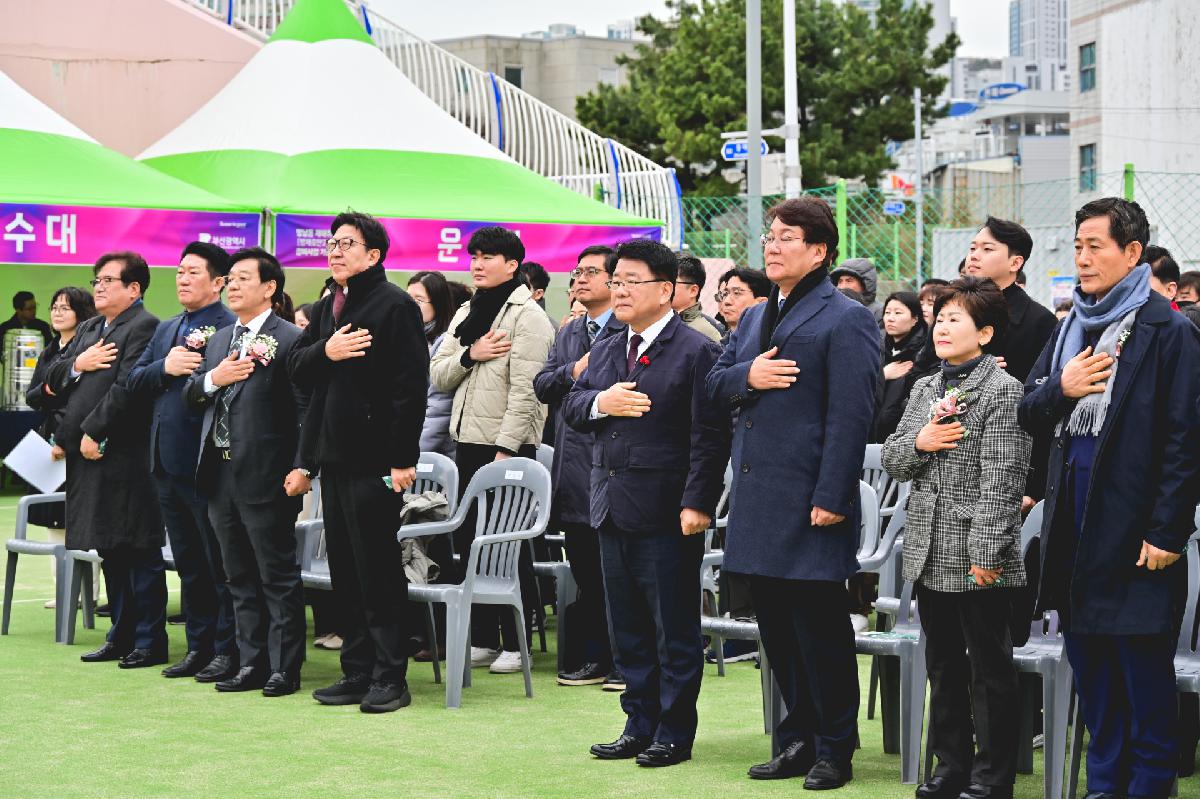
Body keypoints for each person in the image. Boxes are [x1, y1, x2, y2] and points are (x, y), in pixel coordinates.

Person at [1018, 198, 1200, 799]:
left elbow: (1186, 441)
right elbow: (1029, 411)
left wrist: (1167, 531)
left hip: (1138, 533)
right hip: (1074, 527)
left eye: (1095, 246)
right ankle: (1104, 785)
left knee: (1142, 672)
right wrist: (1064, 388)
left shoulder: (1168, 330)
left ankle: (1148, 787)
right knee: (1092, 667)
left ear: (1132, 253)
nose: (1083, 258)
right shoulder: (1071, 326)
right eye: (1077, 246)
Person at [706, 197, 879, 787]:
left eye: (786, 237)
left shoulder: (846, 317)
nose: (773, 246)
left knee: (820, 630)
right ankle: (797, 739)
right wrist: (748, 376)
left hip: (812, 500)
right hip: (759, 497)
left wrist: (833, 496)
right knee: (777, 630)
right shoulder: (756, 315)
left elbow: (852, 416)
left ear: (819, 251)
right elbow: (714, 384)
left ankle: (835, 747)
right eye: (769, 236)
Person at [563, 238, 729, 767]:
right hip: (610, 502)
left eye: (631, 281)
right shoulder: (610, 345)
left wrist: (698, 501)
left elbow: (710, 435)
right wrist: (601, 401)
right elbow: (571, 406)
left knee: (672, 628)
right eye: (616, 281)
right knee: (628, 627)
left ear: (666, 290)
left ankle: (674, 731)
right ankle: (638, 723)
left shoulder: (696, 350)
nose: (620, 290)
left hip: (667, 508)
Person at [883, 277, 1030, 799]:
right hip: (928, 547)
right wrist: (921, 441)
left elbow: (1002, 480)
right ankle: (951, 766)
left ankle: (993, 776)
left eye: (955, 320)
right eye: (939, 319)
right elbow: (894, 458)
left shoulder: (1003, 390)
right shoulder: (925, 387)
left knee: (989, 669)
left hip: (977, 551)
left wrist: (988, 553)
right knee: (943, 664)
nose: (942, 328)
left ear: (985, 333)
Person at [288, 212, 429, 713]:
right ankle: (357, 671)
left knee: (377, 570)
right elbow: (296, 366)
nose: (335, 250)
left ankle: (391, 677)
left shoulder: (394, 304)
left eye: (346, 243)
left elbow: (410, 389)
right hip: (334, 456)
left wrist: (402, 458)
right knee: (346, 570)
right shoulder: (329, 304)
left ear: (373, 254)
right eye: (332, 242)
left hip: (377, 460)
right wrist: (327, 350)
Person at [184, 248, 310, 697]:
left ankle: (284, 667)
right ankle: (250, 661)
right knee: (236, 575)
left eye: (242, 278)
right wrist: (213, 378)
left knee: (276, 574)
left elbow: (305, 409)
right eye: (230, 279)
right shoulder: (220, 340)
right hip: (218, 474)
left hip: (267, 474)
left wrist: (303, 465)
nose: (232, 285)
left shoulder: (291, 338)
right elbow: (191, 395)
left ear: (269, 287)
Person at [430, 225, 555, 675]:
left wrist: (506, 449)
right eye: (474, 256)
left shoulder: (529, 317)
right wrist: (472, 353)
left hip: (507, 447)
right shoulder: (469, 309)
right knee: (470, 541)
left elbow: (528, 392)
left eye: (487, 257)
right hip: (467, 440)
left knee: (508, 545)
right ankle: (483, 636)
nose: (477, 264)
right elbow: (439, 373)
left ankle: (517, 643)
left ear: (512, 264)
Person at [127, 242, 239, 684]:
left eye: (193, 272)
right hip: (164, 462)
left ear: (218, 282)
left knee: (218, 565)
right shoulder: (167, 328)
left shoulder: (229, 326)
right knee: (189, 564)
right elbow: (135, 380)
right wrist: (166, 367)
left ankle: (226, 650)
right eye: (179, 271)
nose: (183, 279)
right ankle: (198, 646)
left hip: (205, 463)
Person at [48, 253, 166, 668]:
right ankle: (121, 633)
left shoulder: (144, 326)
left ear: (134, 289)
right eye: (96, 280)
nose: (98, 287)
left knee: (138, 548)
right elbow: (55, 375)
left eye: (108, 280)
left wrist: (95, 431)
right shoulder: (91, 327)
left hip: (124, 454)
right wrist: (77, 365)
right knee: (109, 547)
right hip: (87, 456)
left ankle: (149, 640)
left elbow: (128, 388)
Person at [533, 244, 625, 688]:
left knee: (618, 576)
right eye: (577, 272)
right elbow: (543, 384)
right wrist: (574, 370)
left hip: (611, 469)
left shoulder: (628, 329)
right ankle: (597, 658)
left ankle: (626, 662)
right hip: (572, 472)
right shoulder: (570, 331)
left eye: (591, 272)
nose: (580, 279)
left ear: (613, 280)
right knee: (587, 572)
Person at [26, 287, 96, 608]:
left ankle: (89, 592)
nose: (57, 312)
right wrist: (51, 388)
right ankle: (63, 592)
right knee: (55, 518)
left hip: (78, 439)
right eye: (54, 307)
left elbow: (82, 399)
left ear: (81, 313)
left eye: (65, 308)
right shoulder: (49, 350)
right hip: (49, 440)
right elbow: (33, 396)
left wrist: (66, 437)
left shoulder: (89, 348)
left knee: (83, 518)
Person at [963, 217, 1057, 384]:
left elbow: (1041, 387)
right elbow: (922, 371)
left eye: (987, 249)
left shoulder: (1039, 321)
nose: (974, 256)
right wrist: (957, 370)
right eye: (972, 248)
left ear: (1015, 263)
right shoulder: (952, 307)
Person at [408, 271, 457, 458]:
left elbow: (439, 408)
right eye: (408, 299)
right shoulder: (408, 337)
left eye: (418, 300)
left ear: (438, 304)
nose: (410, 306)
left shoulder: (445, 343)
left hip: (430, 453)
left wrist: (408, 454)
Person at [871, 292, 927, 443]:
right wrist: (883, 374)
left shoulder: (924, 352)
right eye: (887, 312)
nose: (890, 318)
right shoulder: (875, 344)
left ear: (915, 319)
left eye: (898, 313)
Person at [671, 253, 723, 342]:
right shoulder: (655, 324)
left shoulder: (706, 334)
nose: (665, 288)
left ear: (693, 291)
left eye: (672, 282)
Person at [716, 267, 771, 339]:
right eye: (725, 294)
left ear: (761, 303)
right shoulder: (718, 341)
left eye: (736, 293)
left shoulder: (771, 342)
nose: (726, 301)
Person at [829, 258, 884, 327]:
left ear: (864, 284)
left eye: (849, 281)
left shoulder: (880, 313)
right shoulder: (831, 309)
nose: (843, 286)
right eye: (840, 281)